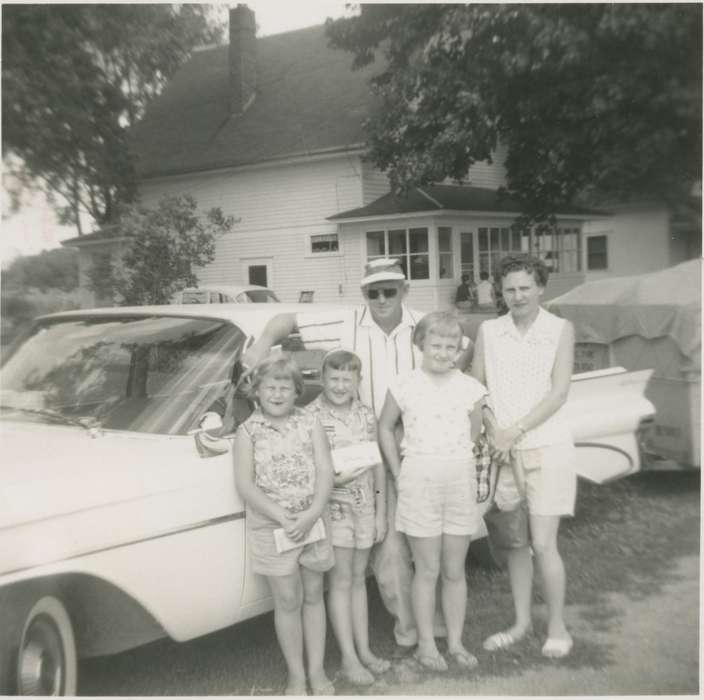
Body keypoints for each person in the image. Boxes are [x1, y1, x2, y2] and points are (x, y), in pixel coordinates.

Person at [241, 258, 474, 657]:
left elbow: (463, 349)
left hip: (417, 441)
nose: (381, 298)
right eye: (373, 291)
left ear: (404, 290)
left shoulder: (424, 325)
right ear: (363, 293)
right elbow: (284, 319)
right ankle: (412, 634)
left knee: (425, 541)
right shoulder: (344, 320)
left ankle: (432, 632)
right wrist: (261, 346)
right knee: (391, 551)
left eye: (389, 290)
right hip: (362, 441)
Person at [471, 254, 576, 659]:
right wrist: (494, 428)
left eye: (525, 288)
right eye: (510, 289)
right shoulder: (489, 330)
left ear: (541, 288)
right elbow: (475, 387)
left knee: (544, 543)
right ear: (500, 291)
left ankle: (557, 627)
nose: (517, 296)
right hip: (501, 451)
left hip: (547, 447)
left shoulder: (559, 329)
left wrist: (515, 430)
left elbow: (559, 392)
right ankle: (520, 623)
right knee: (515, 543)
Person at [377, 311, 486, 672]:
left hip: (458, 478)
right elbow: (385, 427)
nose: (443, 352)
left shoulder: (470, 387)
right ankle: (426, 644)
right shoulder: (404, 385)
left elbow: (472, 433)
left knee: (454, 570)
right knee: (427, 569)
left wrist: (452, 460)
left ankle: (454, 641)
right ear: (421, 344)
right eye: (436, 344)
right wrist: (398, 471)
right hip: (418, 479)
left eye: (451, 346)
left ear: (459, 349)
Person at [232, 355, 335, 695]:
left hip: (311, 521)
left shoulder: (310, 422)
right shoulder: (247, 432)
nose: (277, 394)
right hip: (271, 526)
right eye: (270, 388)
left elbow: (324, 470)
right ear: (256, 392)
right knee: (287, 599)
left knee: (313, 595)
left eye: (285, 388)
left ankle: (317, 671)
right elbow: (245, 485)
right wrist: (282, 516)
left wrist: (312, 513)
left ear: (296, 392)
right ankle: (296, 675)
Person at [305, 349, 390, 685]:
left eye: (347, 379)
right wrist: (331, 482)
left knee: (358, 579)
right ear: (323, 380)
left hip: (366, 508)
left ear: (358, 381)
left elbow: (378, 464)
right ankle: (349, 658)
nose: (340, 385)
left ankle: (364, 650)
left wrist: (382, 511)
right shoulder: (310, 417)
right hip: (335, 510)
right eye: (334, 379)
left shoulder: (366, 415)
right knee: (340, 582)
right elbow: (310, 469)